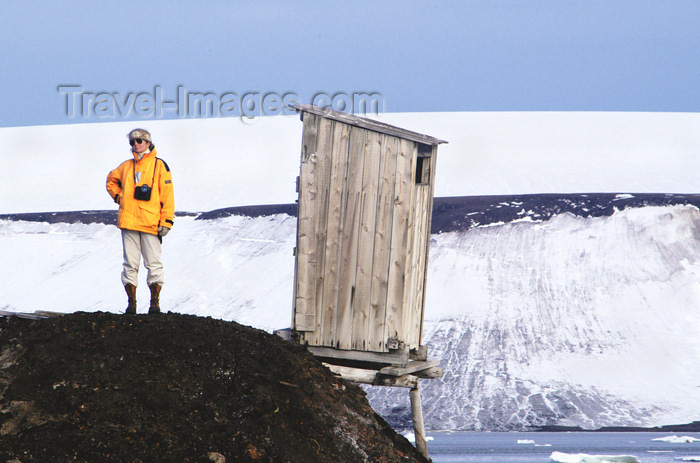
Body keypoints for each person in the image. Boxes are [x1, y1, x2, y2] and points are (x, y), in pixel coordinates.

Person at [106, 129, 174, 314]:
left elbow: (167, 196)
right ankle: (132, 304)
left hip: (151, 223)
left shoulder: (159, 166)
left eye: (139, 141)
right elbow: (111, 180)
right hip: (128, 221)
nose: (135, 144)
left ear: (147, 142)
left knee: (153, 264)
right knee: (130, 264)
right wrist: (119, 197)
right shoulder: (126, 166)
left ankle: (155, 303)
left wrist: (166, 221)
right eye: (132, 142)